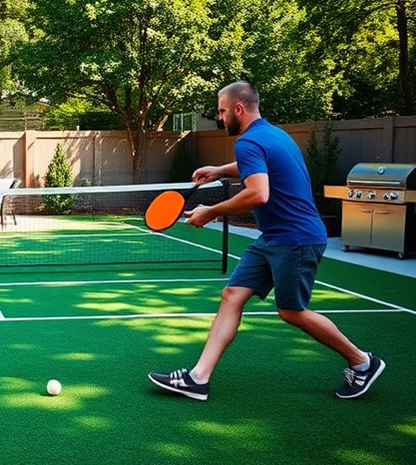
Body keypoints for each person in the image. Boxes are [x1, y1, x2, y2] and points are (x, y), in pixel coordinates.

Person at [148, 82, 384, 401]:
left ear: (238, 109)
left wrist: (210, 212)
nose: (219, 117)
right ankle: (198, 378)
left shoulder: (248, 142)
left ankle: (362, 362)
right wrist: (220, 170)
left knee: (291, 311)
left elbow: (259, 193)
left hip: (295, 238)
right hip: (274, 237)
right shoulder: (275, 135)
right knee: (232, 294)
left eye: (221, 111)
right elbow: (258, 166)